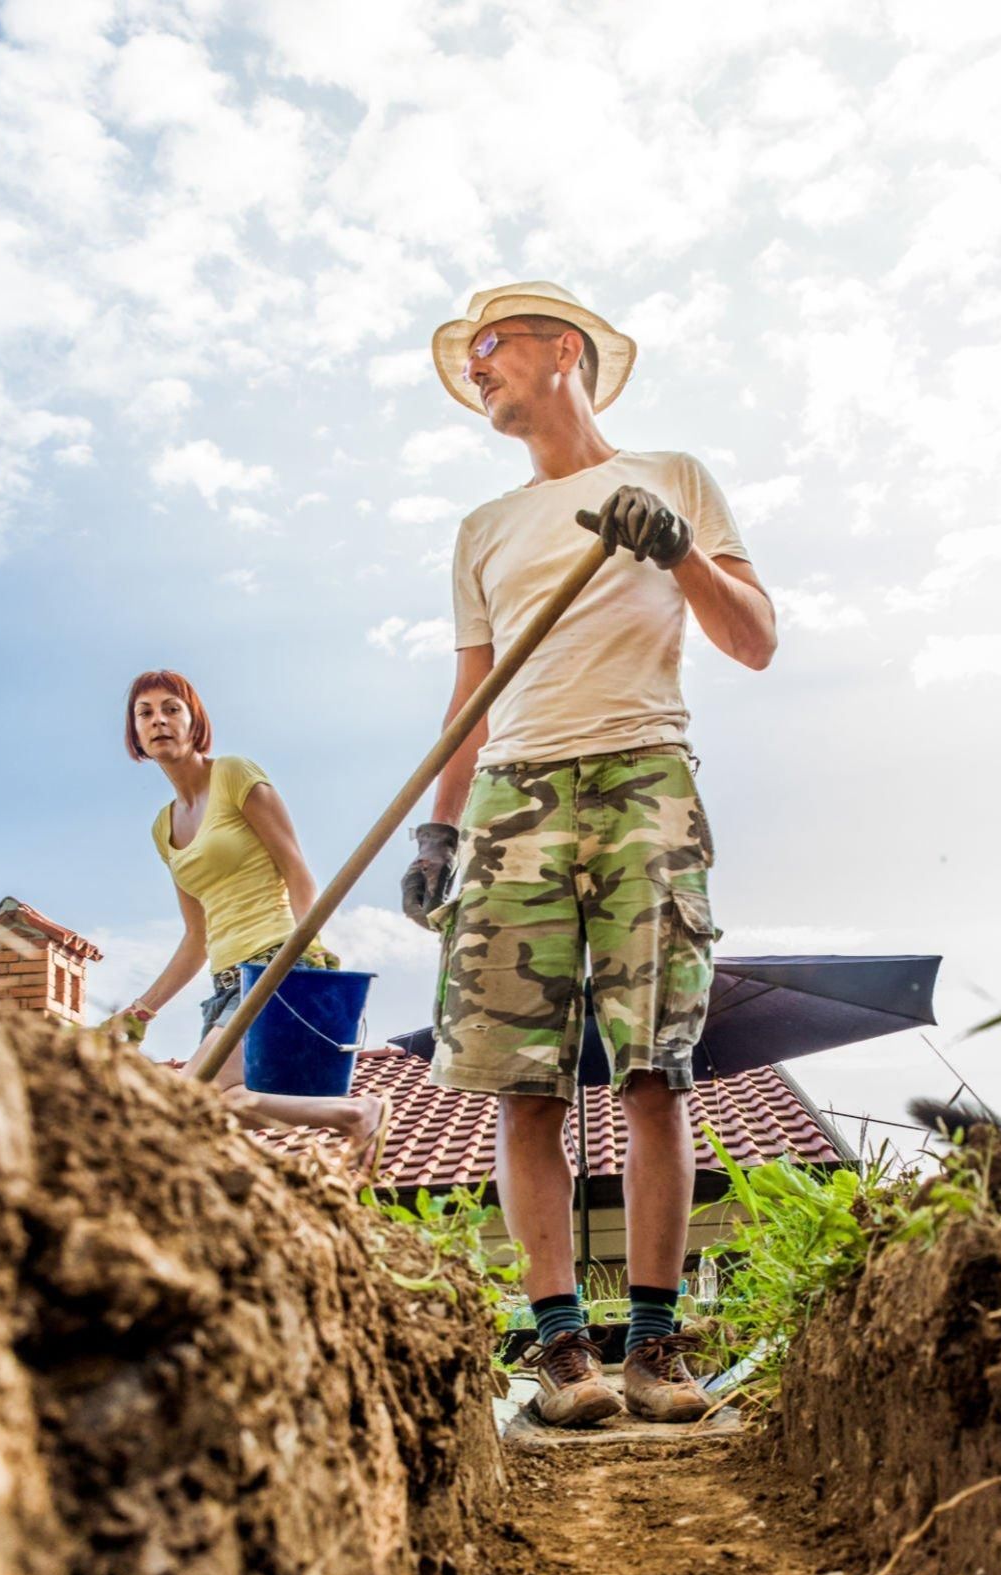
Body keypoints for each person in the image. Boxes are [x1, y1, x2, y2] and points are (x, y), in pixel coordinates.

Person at [401, 282, 776, 1428]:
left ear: (564, 350)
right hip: (514, 797)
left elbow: (753, 640)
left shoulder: (672, 478)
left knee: (654, 1064)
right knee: (523, 1083)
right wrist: (439, 826)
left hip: (642, 780)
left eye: (493, 347)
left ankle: (657, 1351)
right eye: (469, 359)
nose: (478, 368)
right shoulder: (482, 531)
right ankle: (567, 1357)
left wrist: (679, 555)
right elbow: (472, 698)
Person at [109, 668, 389, 1176]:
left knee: (185, 1095)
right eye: (145, 713)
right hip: (223, 983)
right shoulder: (162, 828)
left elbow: (297, 871)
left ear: (195, 722)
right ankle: (353, 1114)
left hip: (274, 963)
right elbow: (196, 939)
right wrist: (139, 1013)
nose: (159, 721)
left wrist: (315, 953)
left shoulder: (234, 774)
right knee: (224, 1104)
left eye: (172, 708)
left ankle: (357, 1114)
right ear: (135, 734)